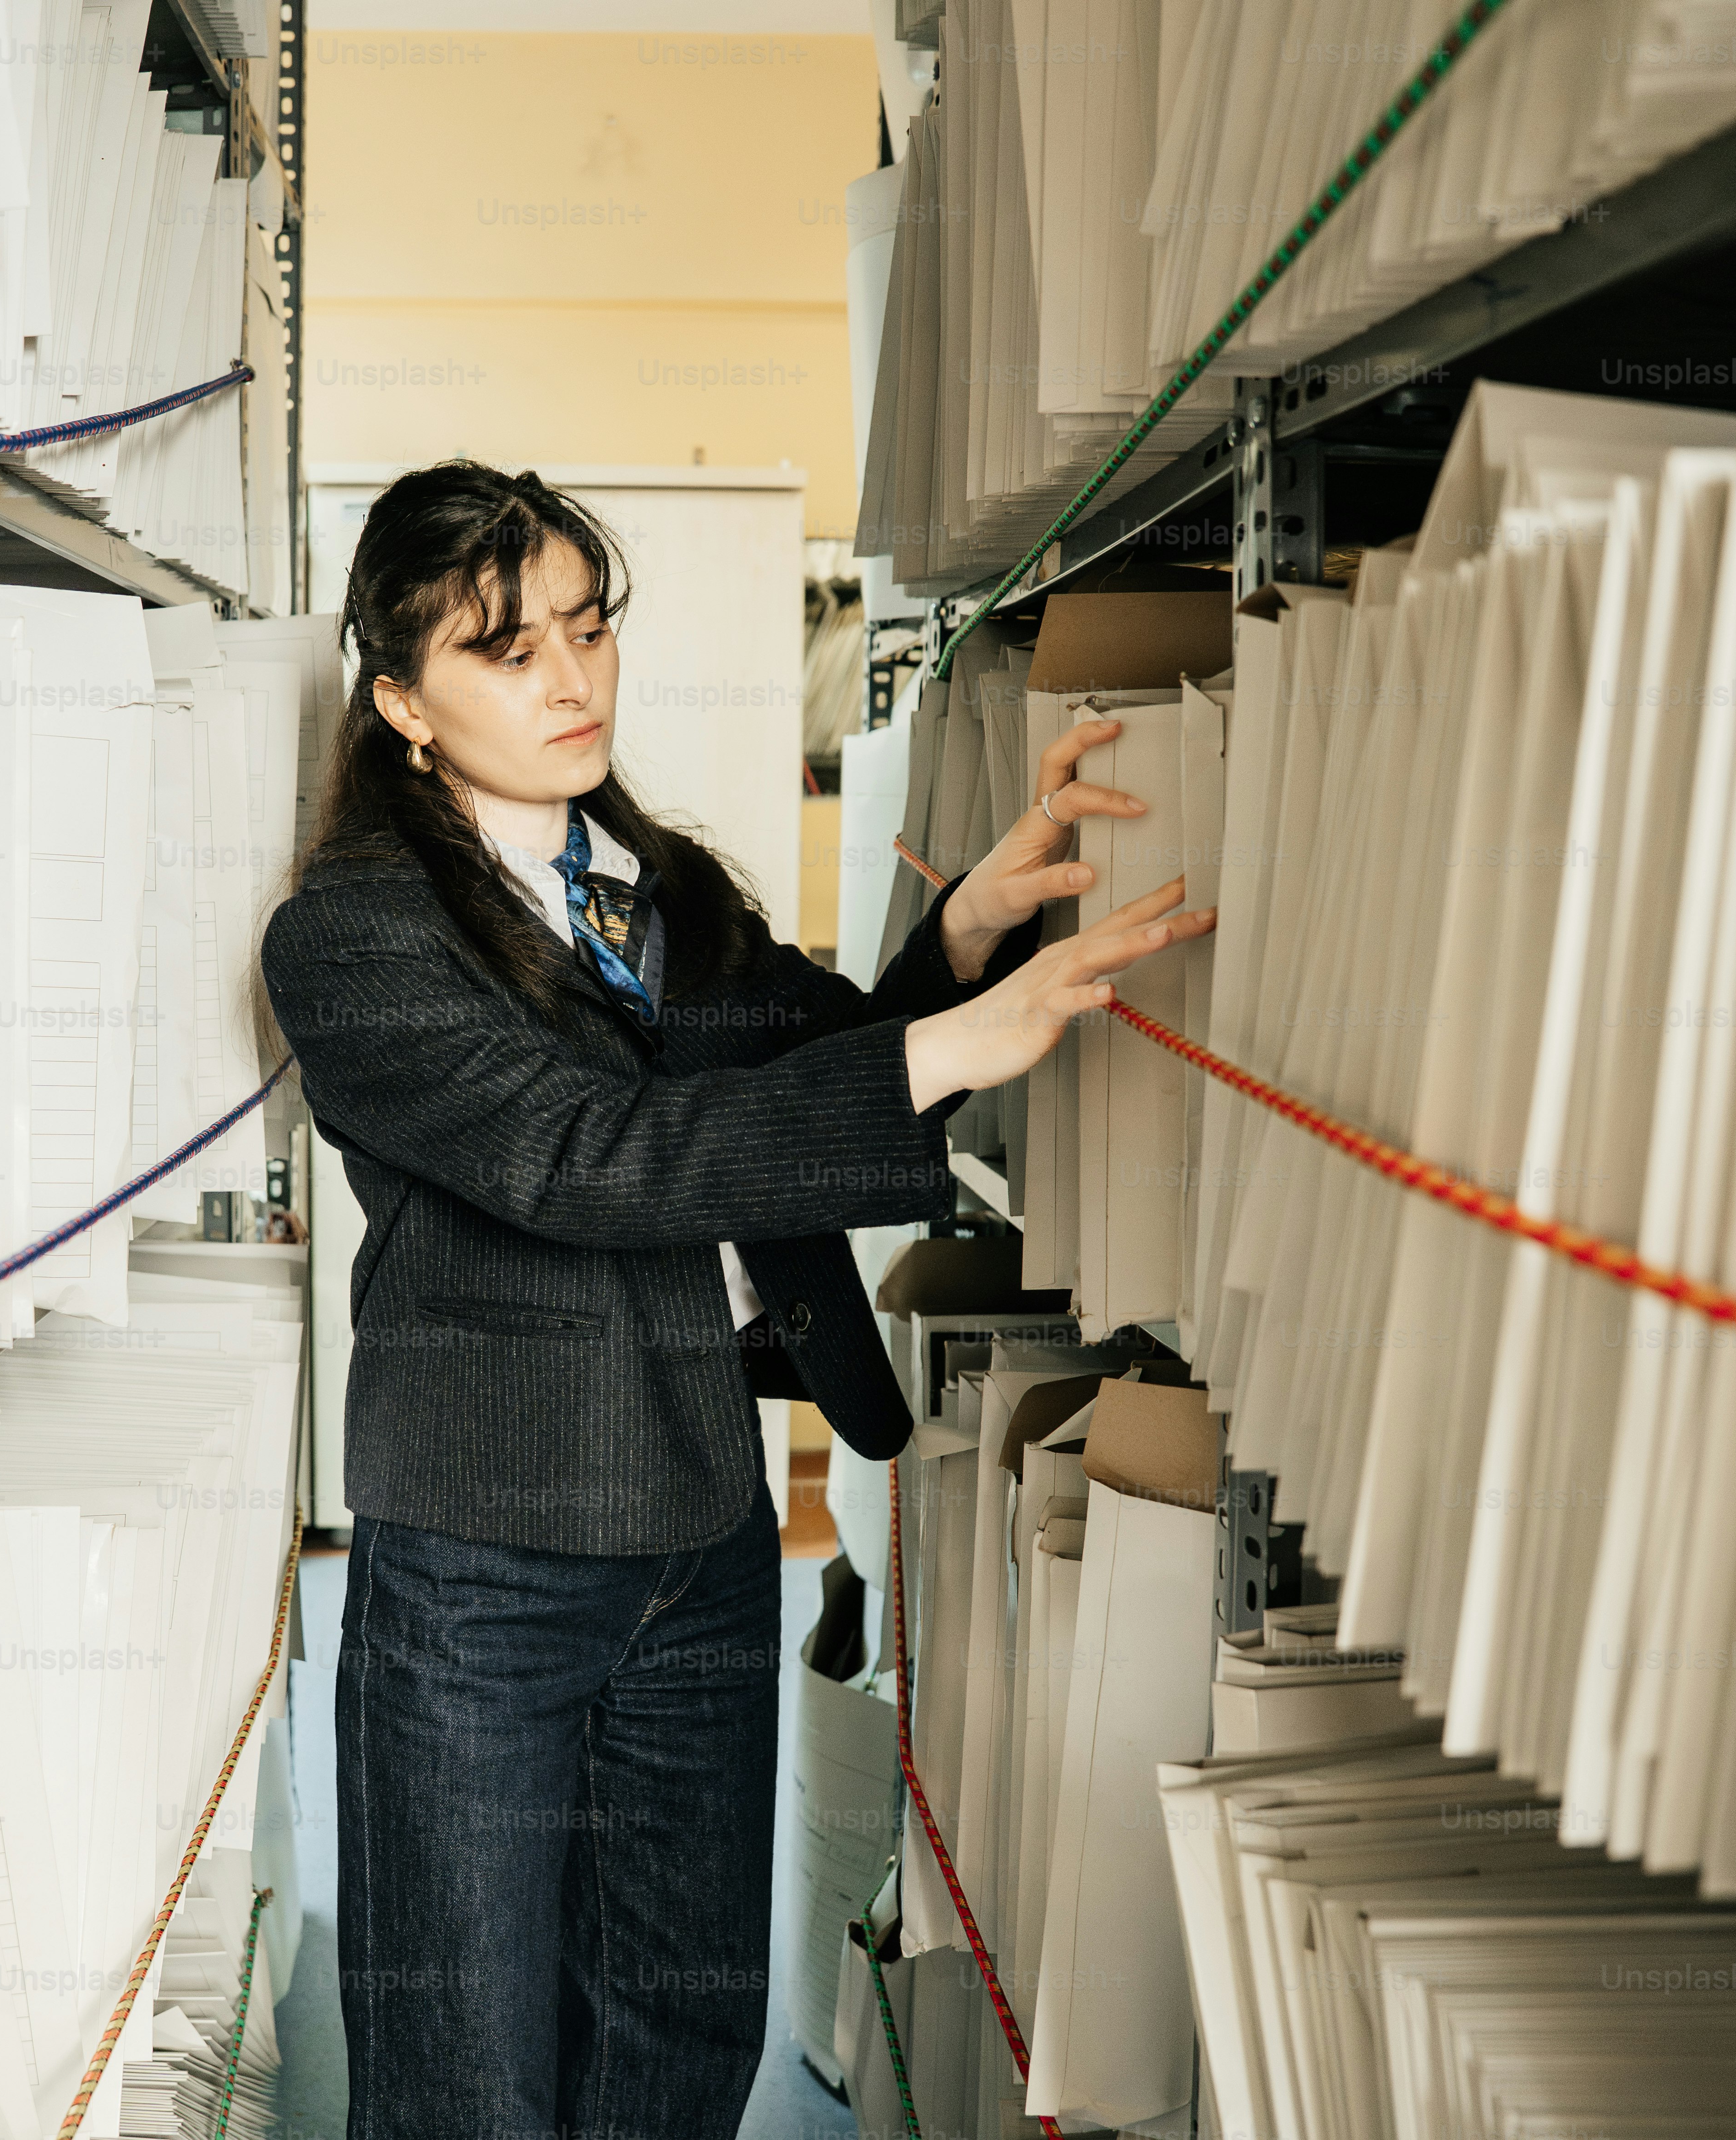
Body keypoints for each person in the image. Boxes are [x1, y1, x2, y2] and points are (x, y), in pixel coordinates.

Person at [258, 461, 1212, 2140]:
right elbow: (589, 1159)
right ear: (403, 701)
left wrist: (973, 928)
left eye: (588, 626)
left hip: (701, 1534)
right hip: (485, 1562)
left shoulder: (656, 889)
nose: (572, 678)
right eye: (507, 651)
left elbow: (814, 1067)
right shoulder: (352, 939)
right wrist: (942, 1050)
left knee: (679, 2045)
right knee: (463, 2076)